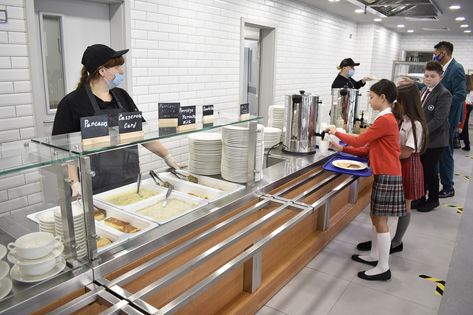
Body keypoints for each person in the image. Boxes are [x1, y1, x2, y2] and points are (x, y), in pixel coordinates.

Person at [52, 44, 179, 195]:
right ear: (102, 71)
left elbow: (141, 133)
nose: (122, 70)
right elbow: (63, 150)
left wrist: (167, 155)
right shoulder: (72, 103)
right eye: (117, 66)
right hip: (93, 183)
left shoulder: (122, 96)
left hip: (129, 179)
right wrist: (74, 182)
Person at [328, 79, 406, 281]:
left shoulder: (385, 119)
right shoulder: (386, 119)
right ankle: (374, 255)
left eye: (371, 97)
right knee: (375, 217)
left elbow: (360, 140)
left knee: (380, 221)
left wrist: (336, 132)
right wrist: (342, 148)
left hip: (388, 174)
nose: (369, 101)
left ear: (383, 97)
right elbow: (368, 149)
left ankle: (383, 267)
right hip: (385, 172)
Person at [355, 83, 428, 254]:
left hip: (407, 165)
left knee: (405, 205)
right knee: (383, 209)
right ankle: (380, 241)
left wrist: (384, 154)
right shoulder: (398, 119)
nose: (394, 104)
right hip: (394, 163)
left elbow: (406, 152)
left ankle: (396, 241)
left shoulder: (415, 124)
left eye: (397, 101)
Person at [413, 61, 452, 212]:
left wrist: (421, 131)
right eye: (426, 75)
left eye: (432, 76)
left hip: (436, 140)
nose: (428, 79)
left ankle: (433, 199)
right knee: (421, 169)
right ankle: (420, 197)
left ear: (440, 77)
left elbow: (439, 120)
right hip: (423, 138)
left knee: (429, 170)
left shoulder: (444, 94)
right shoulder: (424, 89)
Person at [432, 42, 466, 198]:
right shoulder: (444, 70)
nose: (435, 56)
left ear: (443, 53)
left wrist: (444, 106)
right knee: (439, 149)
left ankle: (448, 186)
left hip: (448, 117)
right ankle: (438, 179)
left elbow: (460, 94)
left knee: (446, 150)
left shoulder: (456, 68)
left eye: (436, 53)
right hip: (439, 117)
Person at [459, 74, 473, 151]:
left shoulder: (464, 90)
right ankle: (464, 142)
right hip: (469, 106)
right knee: (464, 125)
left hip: (465, 106)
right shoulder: (471, 91)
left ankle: (467, 144)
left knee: (464, 125)